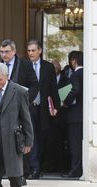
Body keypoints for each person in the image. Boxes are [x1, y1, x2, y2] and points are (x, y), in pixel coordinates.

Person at [0, 39, 38, 185]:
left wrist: (26, 101)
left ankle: (22, 173)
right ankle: (3, 171)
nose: (4, 55)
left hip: (19, 109)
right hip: (1, 109)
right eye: (2, 52)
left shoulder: (25, 64)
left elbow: (35, 85)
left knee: (20, 140)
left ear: (14, 51)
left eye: (7, 52)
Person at [26, 39, 60, 179]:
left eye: (33, 50)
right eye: (29, 51)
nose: (31, 53)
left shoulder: (48, 67)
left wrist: (56, 106)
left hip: (43, 108)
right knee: (31, 138)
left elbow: (53, 88)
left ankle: (39, 167)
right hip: (29, 107)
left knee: (42, 137)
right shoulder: (24, 65)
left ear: (39, 51)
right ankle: (34, 168)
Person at [61, 50, 83, 178]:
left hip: (74, 115)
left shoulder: (75, 74)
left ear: (73, 60)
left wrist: (66, 102)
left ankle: (75, 170)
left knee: (74, 145)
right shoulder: (86, 73)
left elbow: (75, 89)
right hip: (82, 115)